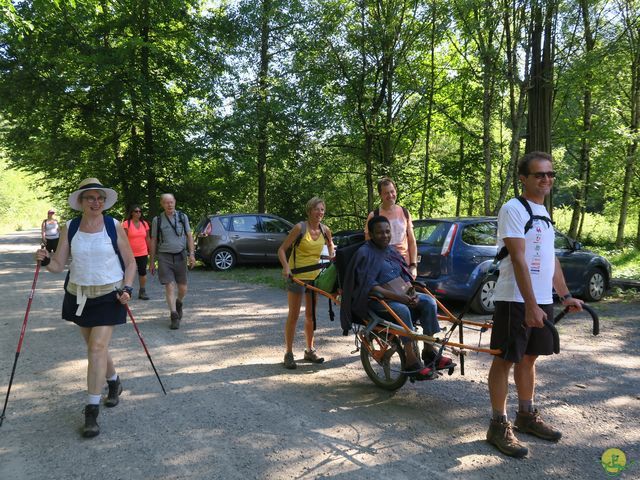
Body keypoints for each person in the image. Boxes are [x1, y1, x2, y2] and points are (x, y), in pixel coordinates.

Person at [486, 152, 583, 458]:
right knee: (505, 360)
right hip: (515, 300)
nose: (546, 180)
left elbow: (551, 258)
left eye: (550, 174)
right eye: (540, 175)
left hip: (540, 299)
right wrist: (529, 305)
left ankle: (525, 415)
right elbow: (517, 258)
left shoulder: (544, 212)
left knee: (529, 359)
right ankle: (498, 424)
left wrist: (564, 295)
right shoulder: (513, 208)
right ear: (523, 179)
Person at [35, 178, 136, 438]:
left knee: (96, 347)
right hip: (78, 295)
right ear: (80, 201)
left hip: (109, 295)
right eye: (90, 197)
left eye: (99, 197)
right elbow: (58, 266)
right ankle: (113, 382)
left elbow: (130, 262)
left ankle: (91, 410)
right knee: (95, 347)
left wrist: (127, 288)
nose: (96, 202)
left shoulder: (114, 226)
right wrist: (46, 260)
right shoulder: (72, 227)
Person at [341, 215, 451, 378]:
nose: (385, 235)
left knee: (429, 301)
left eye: (387, 232)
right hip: (376, 300)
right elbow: (370, 287)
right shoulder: (364, 254)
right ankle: (411, 360)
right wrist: (401, 298)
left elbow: (404, 274)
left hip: (400, 294)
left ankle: (429, 352)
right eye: (379, 233)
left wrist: (411, 291)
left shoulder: (391, 249)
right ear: (370, 234)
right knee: (402, 310)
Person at [278, 197, 334, 369]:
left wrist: (332, 257)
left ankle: (309, 350)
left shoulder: (325, 230)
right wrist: (286, 268)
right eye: (317, 209)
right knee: (294, 315)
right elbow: (281, 250)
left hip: (314, 278)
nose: (320, 213)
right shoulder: (299, 228)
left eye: (322, 210)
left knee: (311, 316)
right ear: (309, 211)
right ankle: (288, 353)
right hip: (296, 276)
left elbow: (331, 246)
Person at [149, 193, 196, 330]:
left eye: (171, 202)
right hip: (164, 256)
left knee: (182, 288)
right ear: (162, 204)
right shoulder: (157, 220)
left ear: (175, 202)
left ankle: (179, 303)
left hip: (181, 255)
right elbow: (153, 240)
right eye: (166, 202)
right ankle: (174, 315)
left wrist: (191, 254)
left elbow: (189, 235)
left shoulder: (183, 217)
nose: (169, 204)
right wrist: (152, 261)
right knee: (169, 286)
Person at [365, 177, 419, 278]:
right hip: (384, 268)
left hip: (405, 266)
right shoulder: (374, 216)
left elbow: (412, 241)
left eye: (392, 191)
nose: (390, 195)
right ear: (380, 195)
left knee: (409, 293)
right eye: (386, 193)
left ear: (396, 191)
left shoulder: (404, 212)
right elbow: (368, 246)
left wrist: (413, 265)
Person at [123, 205, 151, 300]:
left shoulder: (144, 224)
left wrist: (150, 250)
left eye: (140, 211)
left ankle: (142, 291)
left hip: (142, 252)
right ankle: (127, 291)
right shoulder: (127, 224)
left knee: (142, 272)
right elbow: (124, 239)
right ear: (132, 213)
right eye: (136, 211)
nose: (138, 213)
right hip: (130, 253)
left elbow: (147, 238)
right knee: (128, 272)